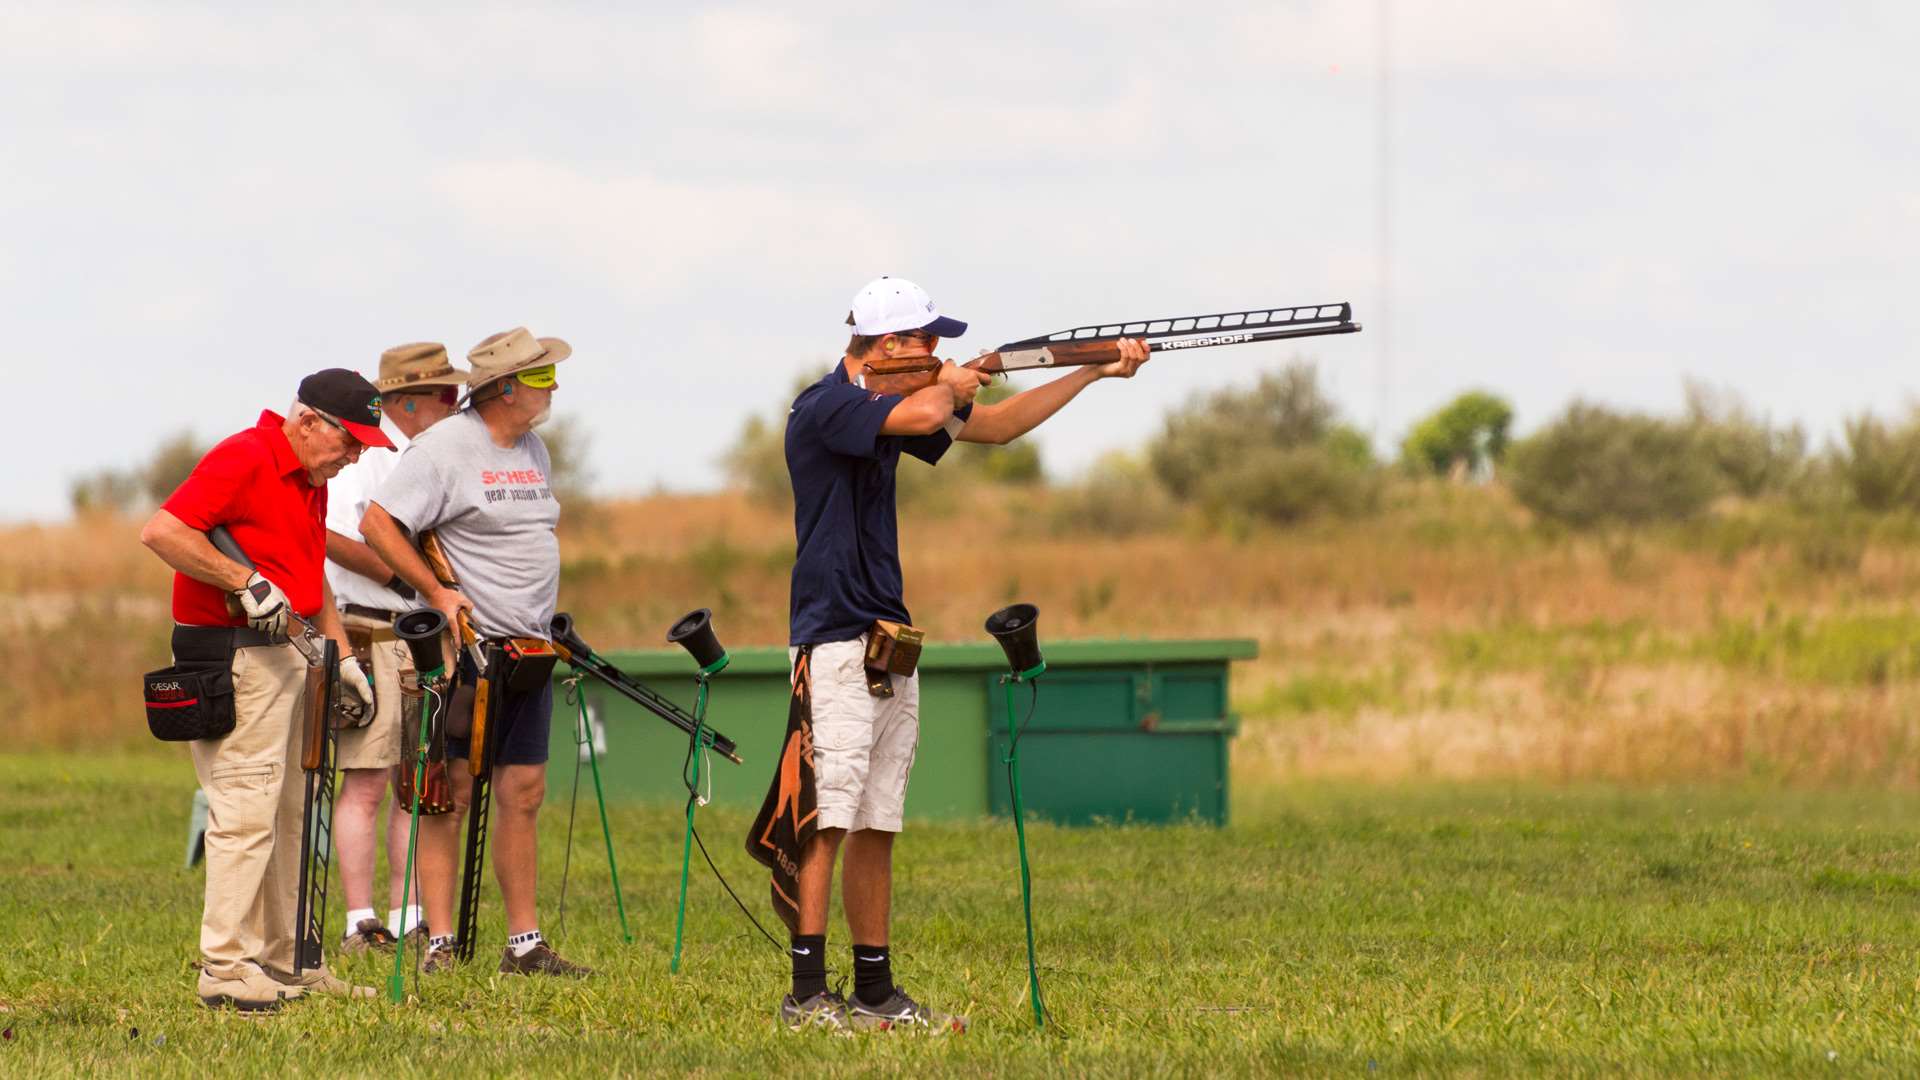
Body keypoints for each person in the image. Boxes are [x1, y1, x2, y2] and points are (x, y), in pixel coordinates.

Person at [773, 277, 1149, 1031]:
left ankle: (874, 989)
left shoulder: (890, 404)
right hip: (835, 636)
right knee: (828, 815)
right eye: (925, 341)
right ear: (888, 348)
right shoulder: (830, 406)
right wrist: (951, 382)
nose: (938, 350)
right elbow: (923, 408)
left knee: (878, 818)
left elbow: (1000, 429)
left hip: (886, 635)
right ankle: (807, 995)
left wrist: (1090, 370)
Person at [139, 369, 387, 1011]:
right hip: (235, 657)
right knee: (246, 810)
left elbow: (311, 575)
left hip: (294, 656)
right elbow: (164, 531)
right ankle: (224, 968)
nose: (355, 455)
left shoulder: (309, 480)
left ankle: (287, 963)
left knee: (292, 814)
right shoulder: (244, 457)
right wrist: (241, 580)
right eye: (350, 441)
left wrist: (341, 657)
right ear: (308, 423)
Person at [358, 326, 590, 978]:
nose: (553, 387)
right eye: (542, 377)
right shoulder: (443, 449)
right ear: (505, 387)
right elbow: (378, 522)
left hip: (530, 649)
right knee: (447, 795)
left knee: (523, 790)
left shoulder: (534, 448)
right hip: (464, 655)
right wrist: (436, 590)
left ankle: (524, 944)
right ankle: (440, 943)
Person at [324, 343, 467, 954]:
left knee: (420, 779)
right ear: (408, 400)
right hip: (370, 628)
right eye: (444, 394)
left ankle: (409, 912)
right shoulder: (361, 455)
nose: (455, 403)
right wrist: (402, 578)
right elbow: (330, 535)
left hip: (417, 633)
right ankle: (360, 918)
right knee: (365, 782)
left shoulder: (414, 455)